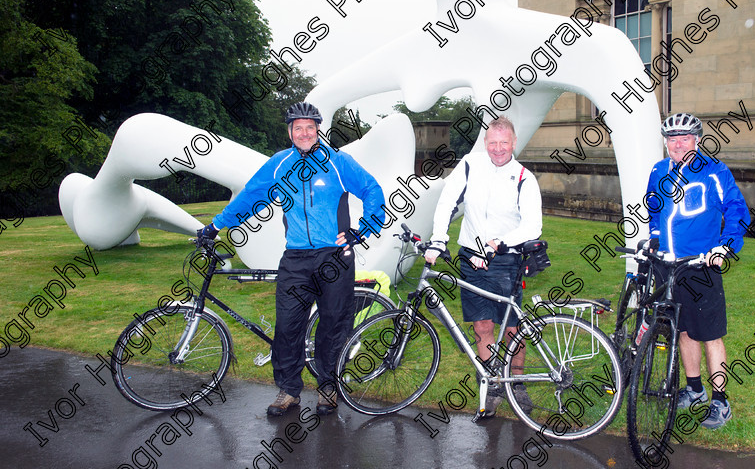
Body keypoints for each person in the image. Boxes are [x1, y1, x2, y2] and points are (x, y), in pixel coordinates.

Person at [197, 102, 386, 417]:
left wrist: (364, 229)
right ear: (290, 132)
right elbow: (250, 196)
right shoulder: (279, 164)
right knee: (287, 327)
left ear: (317, 131)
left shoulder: (338, 162)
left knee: (333, 325)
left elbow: (371, 189)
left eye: (310, 127)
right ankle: (288, 391)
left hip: (334, 257)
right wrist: (216, 226)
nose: (304, 133)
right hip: (296, 256)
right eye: (298, 127)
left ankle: (328, 389)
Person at [424, 115, 542, 416]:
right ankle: (492, 383)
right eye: (493, 143)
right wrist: (439, 238)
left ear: (514, 143)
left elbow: (533, 226)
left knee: (512, 328)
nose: (498, 149)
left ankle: (517, 382)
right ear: (485, 143)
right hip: (470, 256)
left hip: (506, 259)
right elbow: (447, 201)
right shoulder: (469, 165)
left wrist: (499, 243)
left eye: (504, 143)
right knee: (482, 324)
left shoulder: (524, 177)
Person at [645, 112, 750, 429]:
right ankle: (694, 389)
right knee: (682, 330)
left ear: (697, 141)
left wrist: (724, 247)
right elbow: (653, 207)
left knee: (710, 334)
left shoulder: (715, 172)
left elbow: (738, 212)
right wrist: (653, 238)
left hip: (701, 266)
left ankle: (720, 401)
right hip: (667, 265)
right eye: (672, 139)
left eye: (685, 138)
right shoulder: (659, 170)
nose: (677, 144)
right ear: (665, 144)